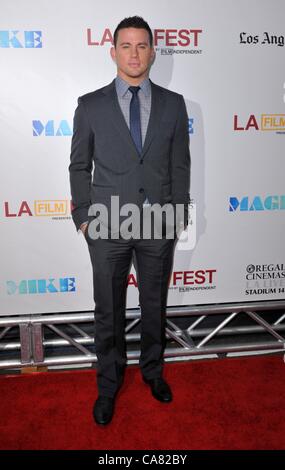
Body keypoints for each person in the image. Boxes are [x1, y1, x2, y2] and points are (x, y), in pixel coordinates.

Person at [69, 16, 190, 425]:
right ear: (113, 51)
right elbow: (79, 166)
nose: (134, 54)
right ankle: (108, 384)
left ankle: (153, 373)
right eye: (126, 46)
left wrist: (178, 213)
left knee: (155, 305)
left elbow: (180, 165)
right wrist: (84, 217)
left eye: (142, 46)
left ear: (153, 52)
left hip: (159, 223)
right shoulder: (90, 105)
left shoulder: (174, 104)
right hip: (106, 226)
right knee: (109, 310)